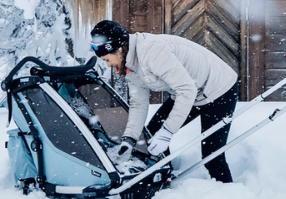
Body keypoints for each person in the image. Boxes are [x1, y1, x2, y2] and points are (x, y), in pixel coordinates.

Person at [89, 20, 238, 183]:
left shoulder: (152, 51)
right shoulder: (129, 64)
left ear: (118, 49)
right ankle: (165, 179)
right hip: (188, 92)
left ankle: (228, 194)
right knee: (152, 134)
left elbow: (186, 90)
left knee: (212, 154)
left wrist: (167, 133)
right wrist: (129, 139)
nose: (109, 65)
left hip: (219, 90)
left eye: (106, 59)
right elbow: (138, 103)